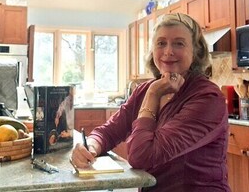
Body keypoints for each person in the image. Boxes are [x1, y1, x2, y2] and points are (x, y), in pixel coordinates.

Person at [70, 13, 230, 192]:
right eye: (161, 43)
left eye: (179, 43)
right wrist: (89, 146)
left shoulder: (207, 98)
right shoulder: (144, 90)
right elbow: (108, 132)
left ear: (196, 52)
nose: (168, 51)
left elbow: (142, 156)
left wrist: (153, 95)